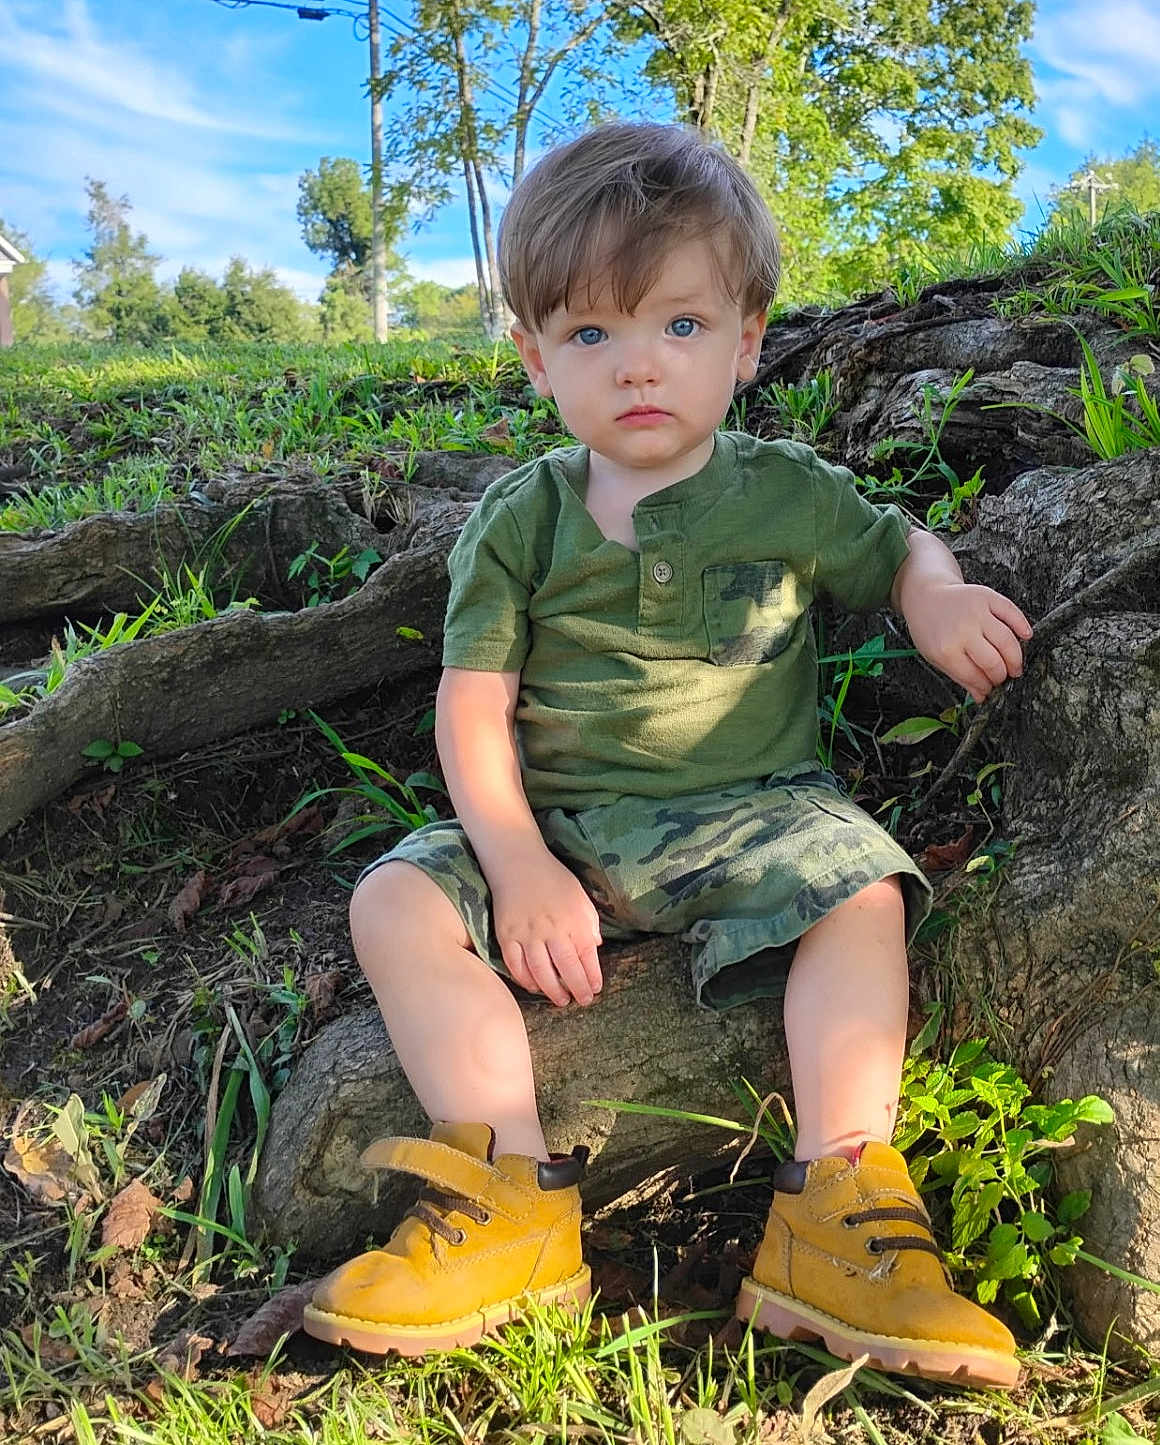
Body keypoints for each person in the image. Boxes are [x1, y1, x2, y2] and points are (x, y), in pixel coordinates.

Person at [302, 121, 1033, 1388]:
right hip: (568, 829)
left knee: (861, 888)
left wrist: (934, 596)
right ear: (534, 358)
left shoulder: (787, 491)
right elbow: (471, 706)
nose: (640, 366)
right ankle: (508, 1199)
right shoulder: (519, 518)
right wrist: (517, 862)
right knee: (392, 897)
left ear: (747, 340)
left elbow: (898, 541)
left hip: (754, 814)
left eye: (680, 327)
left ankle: (841, 1208)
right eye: (592, 334)